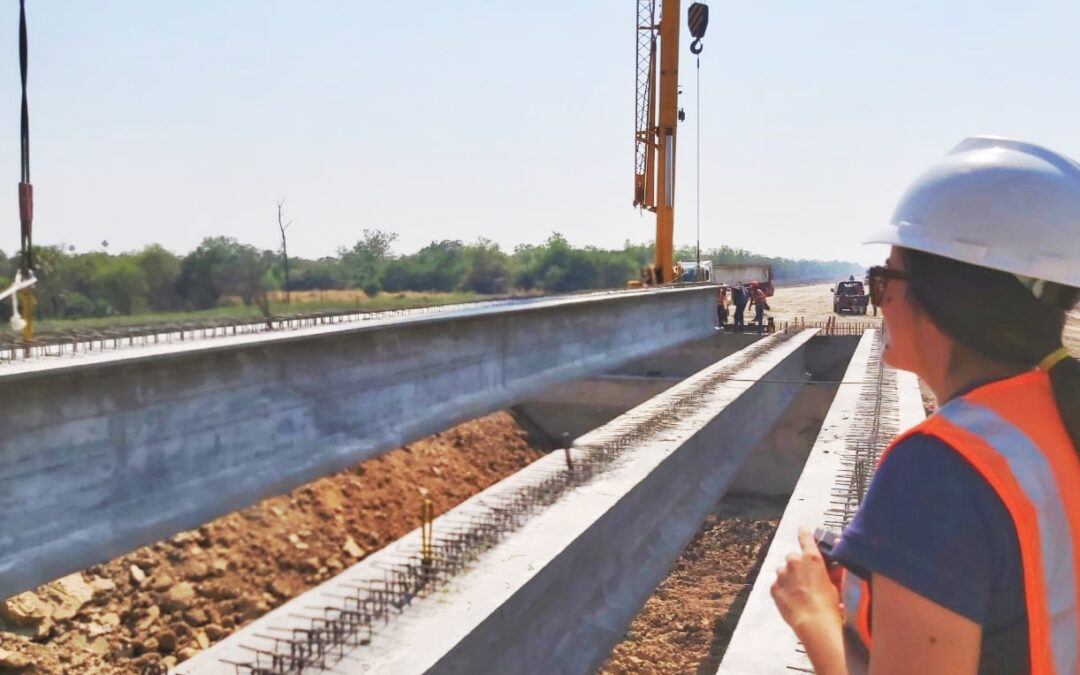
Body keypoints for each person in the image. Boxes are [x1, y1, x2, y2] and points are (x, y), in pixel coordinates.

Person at [771, 137, 1080, 675]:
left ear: (942, 301)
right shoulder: (1057, 413)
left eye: (884, 277)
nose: (879, 297)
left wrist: (813, 612)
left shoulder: (938, 472)